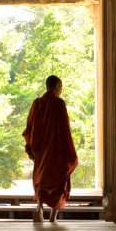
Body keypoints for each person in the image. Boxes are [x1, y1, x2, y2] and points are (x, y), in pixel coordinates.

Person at [22, 75, 78, 222]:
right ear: (57, 88)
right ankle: (53, 217)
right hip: (57, 150)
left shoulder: (37, 103)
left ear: (47, 87)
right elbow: (65, 130)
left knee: (41, 180)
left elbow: (30, 128)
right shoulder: (59, 104)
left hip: (41, 152)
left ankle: (39, 209)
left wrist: (31, 148)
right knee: (60, 179)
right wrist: (69, 152)